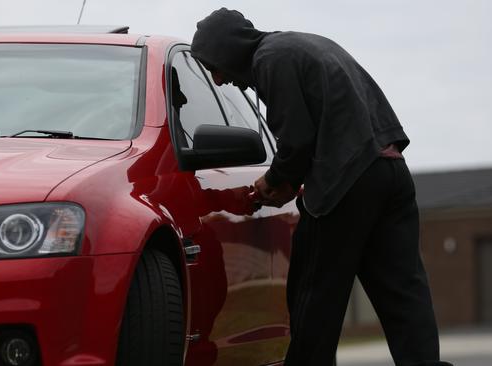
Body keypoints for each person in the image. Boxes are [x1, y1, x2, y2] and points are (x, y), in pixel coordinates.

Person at [191, 8, 453, 366]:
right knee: (403, 292)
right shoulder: (303, 45)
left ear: (227, 51)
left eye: (213, 67)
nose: (219, 80)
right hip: (391, 173)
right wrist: (290, 178)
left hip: (347, 181)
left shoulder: (271, 58)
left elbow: (297, 141)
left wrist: (273, 180)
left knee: (314, 296)